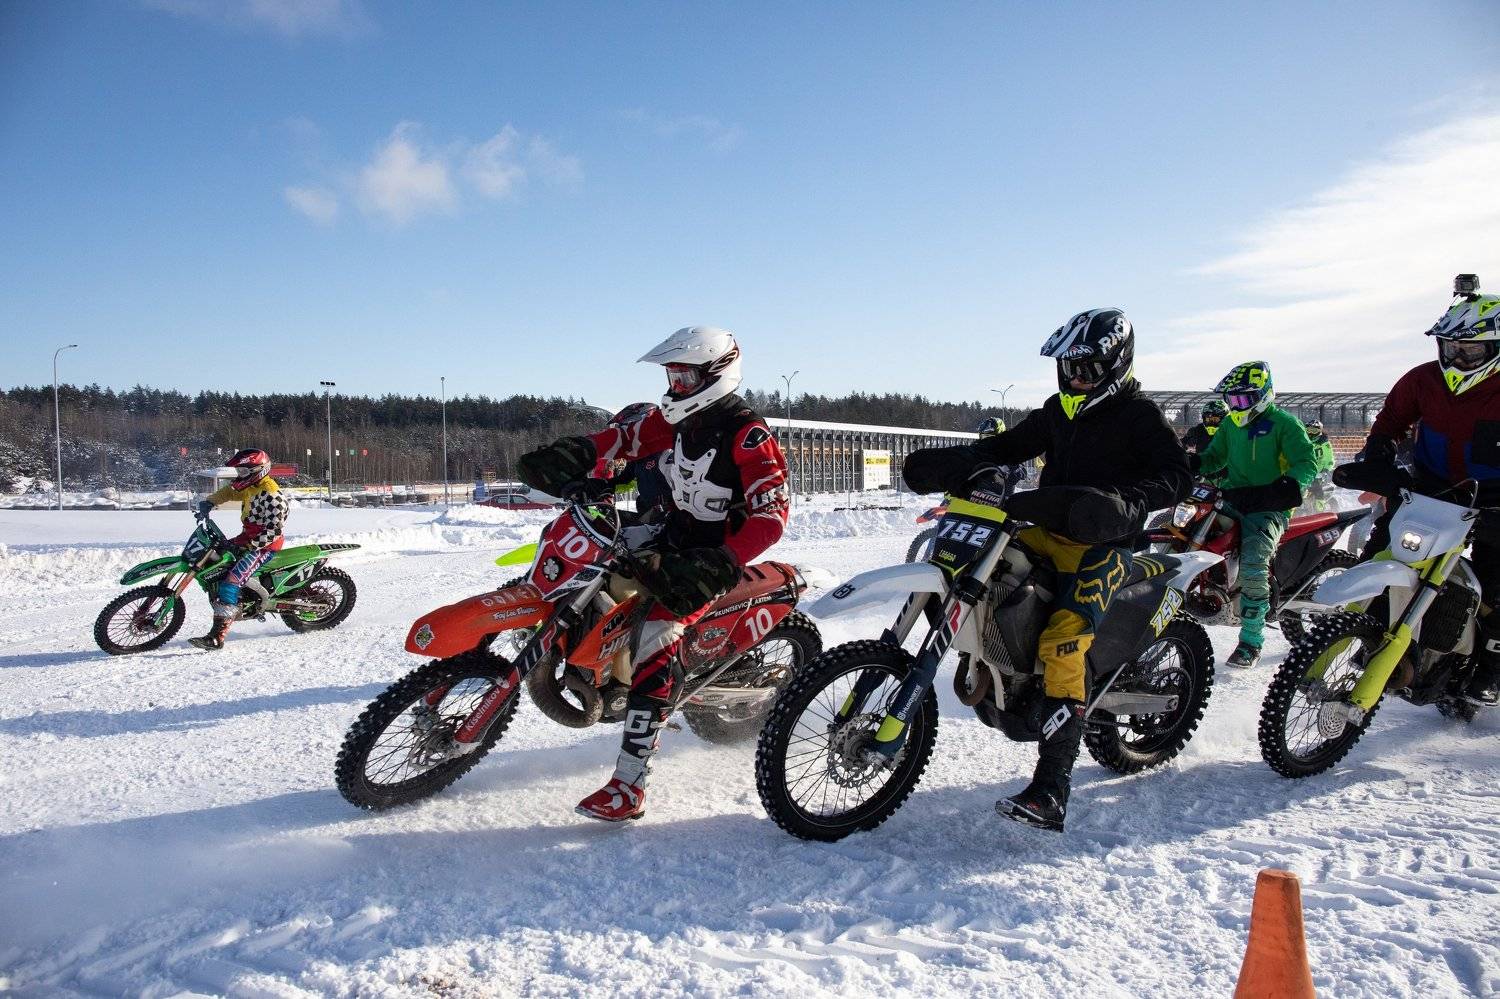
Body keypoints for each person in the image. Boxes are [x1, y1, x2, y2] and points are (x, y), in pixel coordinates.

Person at [903, 308, 1190, 832]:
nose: (1076, 378)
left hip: (1104, 544)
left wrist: (1129, 501)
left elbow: (1176, 477)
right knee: (972, 570)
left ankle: (1052, 789)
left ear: (1117, 365)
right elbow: (1004, 447)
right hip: (1047, 525)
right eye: (1069, 367)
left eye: (1088, 369)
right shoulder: (1058, 411)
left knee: (1063, 643)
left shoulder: (1140, 415)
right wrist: (950, 463)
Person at [517, 327, 790, 821]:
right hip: (670, 532)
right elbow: (624, 438)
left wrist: (722, 561)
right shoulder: (679, 421)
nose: (675, 385)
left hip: (712, 557)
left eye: (685, 376)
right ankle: (593, 659)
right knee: (592, 560)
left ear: (717, 373)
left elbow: (772, 516)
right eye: (672, 375)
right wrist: (577, 452)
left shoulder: (748, 434)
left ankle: (629, 785)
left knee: (657, 635)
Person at [1360, 274, 1500, 705]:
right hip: (1430, 489)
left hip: (1494, 499)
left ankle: (1490, 668)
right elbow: (1389, 422)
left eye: (1471, 349)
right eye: (1450, 346)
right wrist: (1377, 459)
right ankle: (1366, 634)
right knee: (1379, 553)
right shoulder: (1422, 380)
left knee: (1495, 582)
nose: (1458, 357)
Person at [1193, 362, 1317, 669]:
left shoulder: (1284, 424)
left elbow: (1306, 462)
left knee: (1253, 564)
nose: (1236, 405)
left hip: (1268, 506)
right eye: (1231, 399)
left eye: (1243, 399)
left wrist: (1288, 486)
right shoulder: (1230, 424)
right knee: (1188, 538)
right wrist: (1190, 464)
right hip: (1232, 498)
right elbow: (1214, 457)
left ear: (1263, 395)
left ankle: (1251, 641)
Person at [189, 448, 289, 650]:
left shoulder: (271, 495)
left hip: (264, 546)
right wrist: (209, 502)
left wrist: (250, 546)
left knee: (231, 582)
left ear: (258, 470)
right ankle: (235, 598)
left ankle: (217, 637)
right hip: (247, 538)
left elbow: (275, 530)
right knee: (217, 558)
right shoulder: (251, 486)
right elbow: (230, 491)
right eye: (238, 471)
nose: (239, 476)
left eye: (243, 471)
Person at [975, 417, 1027, 499]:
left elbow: (1022, 472)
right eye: (984, 437)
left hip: (1000, 497)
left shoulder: (1009, 451)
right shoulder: (977, 450)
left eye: (990, 437)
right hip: (976, 495)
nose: (987, 441)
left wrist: (1010, 471)